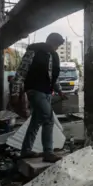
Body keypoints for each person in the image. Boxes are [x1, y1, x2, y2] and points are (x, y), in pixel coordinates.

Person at [11, 33, 67, 163]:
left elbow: (54, 76)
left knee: (36, 122)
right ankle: (48, 153)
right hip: (35, 90)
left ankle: (26, 150)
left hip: (47, 92)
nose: (56, 48)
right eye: (56, 44)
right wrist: (15, 93)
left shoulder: (54, 55)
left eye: (58, 46)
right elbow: (21, 72)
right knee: (48, 119)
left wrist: (59, 91)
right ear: (49, 41)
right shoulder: (33, 52)